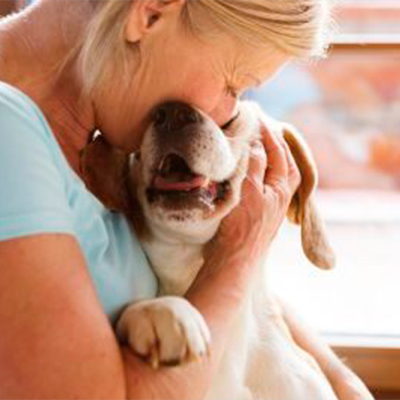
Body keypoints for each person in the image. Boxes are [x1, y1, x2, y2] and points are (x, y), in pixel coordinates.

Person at [0, 0, 373, 399]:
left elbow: (234, 298)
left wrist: (341, 380)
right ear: (152, 12)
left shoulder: (102, 143)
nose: (227, 110)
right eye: (234, 83)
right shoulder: (9, 130)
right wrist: (236, 254)